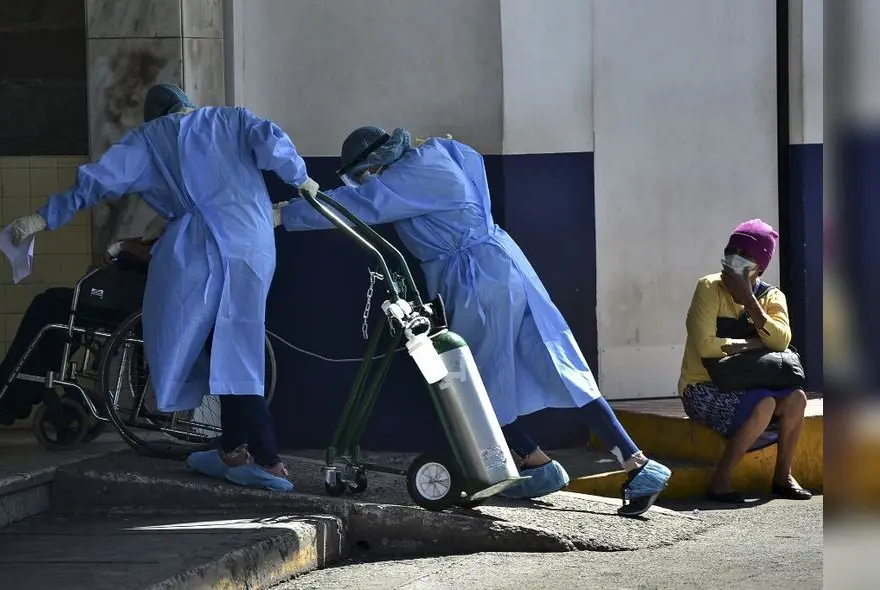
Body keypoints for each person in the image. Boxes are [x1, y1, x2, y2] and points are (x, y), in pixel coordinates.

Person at [276, 126, 671, 516]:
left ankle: (531, 462)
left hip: (474, 279)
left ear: (376, 162)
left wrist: (286, 214)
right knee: (554, 357)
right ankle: (622, 464)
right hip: (503, 263)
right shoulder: (443, 153)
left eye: (365, 172)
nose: (367, 179)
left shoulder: (412, 175)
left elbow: (364, 204)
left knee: (472, 379)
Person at [6, 84, 320, 492]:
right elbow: (271, 141)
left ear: (153, 115)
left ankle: (267, 461)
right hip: (253, 242)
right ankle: (231, 449)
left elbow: (97, 181)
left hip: (199, 249)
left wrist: (43, 218)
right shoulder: (230, 118)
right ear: (186, 104)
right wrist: (301, 177)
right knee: (233, 347)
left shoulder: (149, 139)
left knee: (218, 349)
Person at [0, 217, 166, 426]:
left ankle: (10, 396)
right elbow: (154, 244)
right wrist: (124, 245)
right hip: (134, 299)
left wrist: (124, 248)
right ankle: (10, 393)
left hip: (134, 304)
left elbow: (163, 253)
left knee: (49, 307)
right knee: (52, 308)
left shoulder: (185, 211)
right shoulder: (183, 208)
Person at [678, 219, 812, 502]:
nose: (734, 257)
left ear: (759, 267)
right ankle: (720, 478)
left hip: (749, 383)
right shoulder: (708, 287)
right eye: (731, 249)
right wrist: (752, 343)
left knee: (797, 398)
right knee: (765, 403)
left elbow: (780, 341)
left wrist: (749, 301)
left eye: (745, 253)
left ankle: (782, 476)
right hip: (703, 386)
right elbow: (705, 346)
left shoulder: (772, 297)